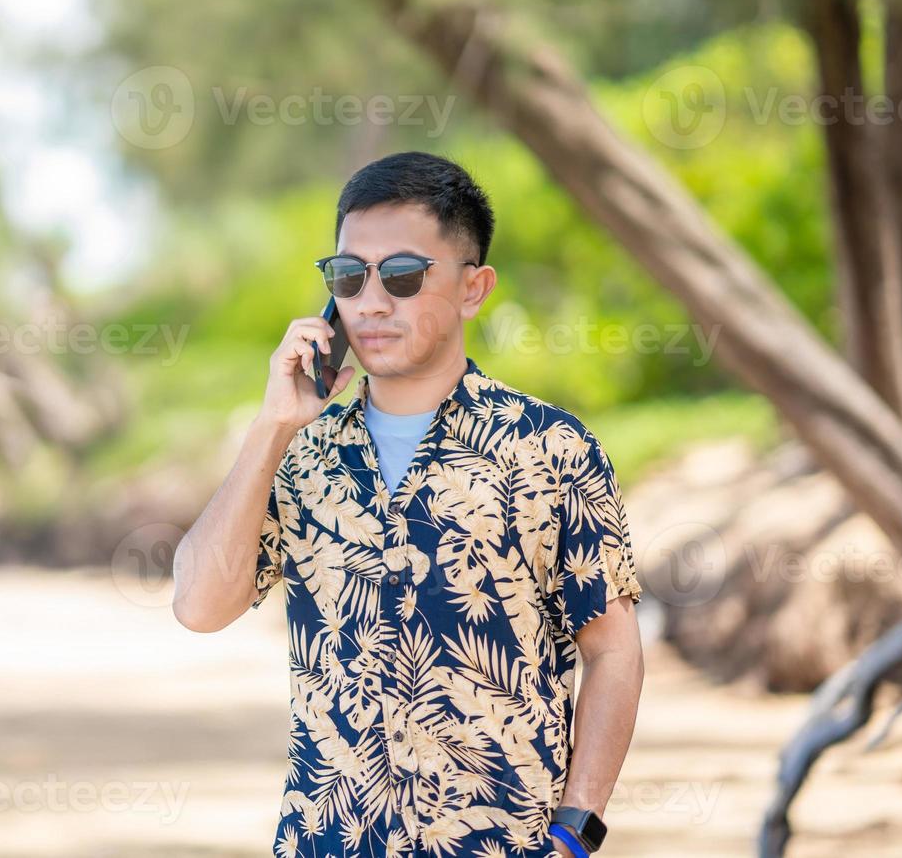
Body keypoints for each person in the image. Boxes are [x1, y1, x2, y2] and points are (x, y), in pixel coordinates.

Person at [171, 151, 645, 857]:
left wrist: (577, 830)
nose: (370, 301)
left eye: (401, 274)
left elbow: (612, 650)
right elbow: (199, 607)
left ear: (472, 288)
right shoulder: (298, 456)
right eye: (348, 276)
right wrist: (272, 425)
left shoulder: (550, 450)